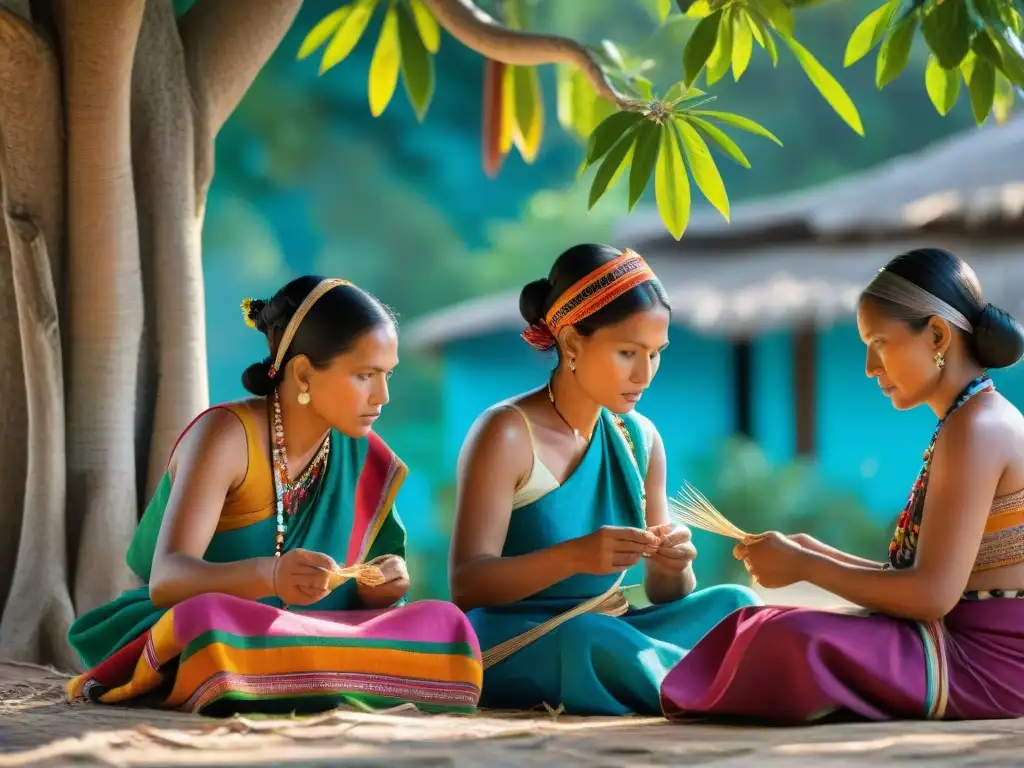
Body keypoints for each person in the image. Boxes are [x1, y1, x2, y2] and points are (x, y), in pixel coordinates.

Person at [66, 276, 482, 716]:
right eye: (364, 375)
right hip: (225, 629)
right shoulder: (225, 437)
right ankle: (326, 676)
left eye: (387, 375)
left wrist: (380, 588)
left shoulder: (366, 456)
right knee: (208, 623)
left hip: (315, 634)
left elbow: (374, 601)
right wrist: (271, 576)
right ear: (303, 372)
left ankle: (286, 676)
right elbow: (168, 580)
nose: (382, 396)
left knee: (445, 625)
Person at [660, 248, 1024, 723]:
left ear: (936, 334)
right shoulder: (971, 418)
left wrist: (807, 565)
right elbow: (922, 585)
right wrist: (815, 552)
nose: (871, 367)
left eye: (879, 342)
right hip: (951, 644)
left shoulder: (975, 428)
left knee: (783, 638)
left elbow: (931, 595)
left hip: (983, 665)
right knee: (755, 622)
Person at [449, 244, 761, 716]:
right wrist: (576, 556)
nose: (645, 374)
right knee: (589, 640)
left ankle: (698, 678)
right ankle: (722, 682)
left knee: (736, 603)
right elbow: (468, 584)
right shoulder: (508, 432)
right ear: (572, 342)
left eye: (656, 354)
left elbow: (664, 595)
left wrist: (673, 565)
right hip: (521, 640)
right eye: (627, 352)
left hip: (611, 625)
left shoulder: (640, 439)